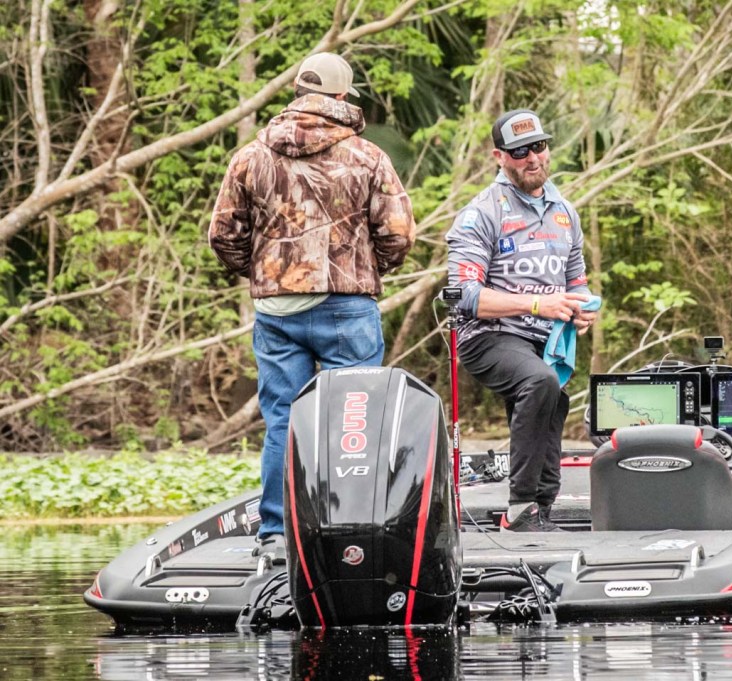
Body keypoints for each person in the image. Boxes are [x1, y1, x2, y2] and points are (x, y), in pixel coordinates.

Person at [209, 52, 415, 554]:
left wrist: (265, 273)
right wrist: (365, 270)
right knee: (355, 423)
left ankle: (276, 533)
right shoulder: (367, 157)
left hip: (276, 310)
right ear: (342, 96)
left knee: (283, 420)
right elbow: (398, 234)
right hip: (347, 307)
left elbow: (223, 234)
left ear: (299, 91)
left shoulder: (251, 155)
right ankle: (354, 531)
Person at [446, 109, 598, 532]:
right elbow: (466, 296)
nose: (533, 158)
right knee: (540, 382)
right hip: (488, 336)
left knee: (555, 397)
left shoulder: (565, 211)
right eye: (520, 152)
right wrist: (537, 305)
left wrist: (582, 307)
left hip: (545, 338)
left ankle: (543, 509)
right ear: (499, 157)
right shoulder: (482, 212)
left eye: (539, 147)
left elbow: (576, 280)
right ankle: (519, 507)